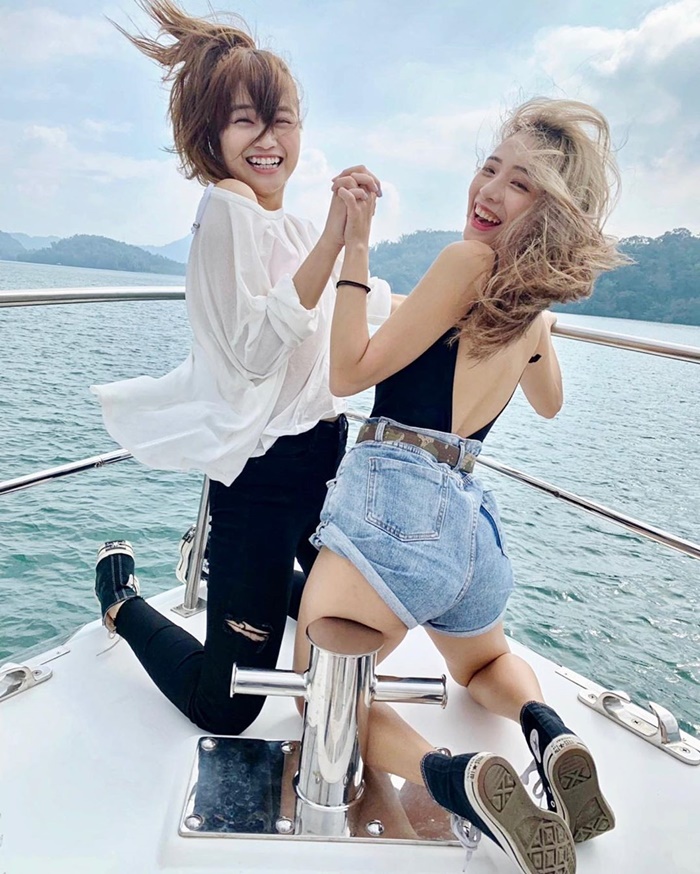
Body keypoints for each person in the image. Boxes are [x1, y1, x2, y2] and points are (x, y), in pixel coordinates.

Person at [293, 98, 625, 874]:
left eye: (521, 184)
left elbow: (348, 371)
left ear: (550, 212)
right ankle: (546, 730)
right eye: (490, 168)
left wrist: (356, 247)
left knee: (324, 694)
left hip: (398, 506)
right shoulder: (529, 304)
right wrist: (539, 326)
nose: (491, 190)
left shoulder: (466, 263)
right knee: (479, 667)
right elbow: (549, 402)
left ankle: (453, 779)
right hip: (470, 530)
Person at [89, 0, 389, 735]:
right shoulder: (225, 208)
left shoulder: (291, 222)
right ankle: (123, 602)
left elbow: (363, 311)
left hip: (325, 457)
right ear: (212, 135)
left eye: (281, 120)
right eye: (245, 121)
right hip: (262, 475)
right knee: (225, 708)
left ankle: (244, 578)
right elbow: (255, 350)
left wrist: (467, 301)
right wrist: (334, 239)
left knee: (352, 615)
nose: (267, 139)